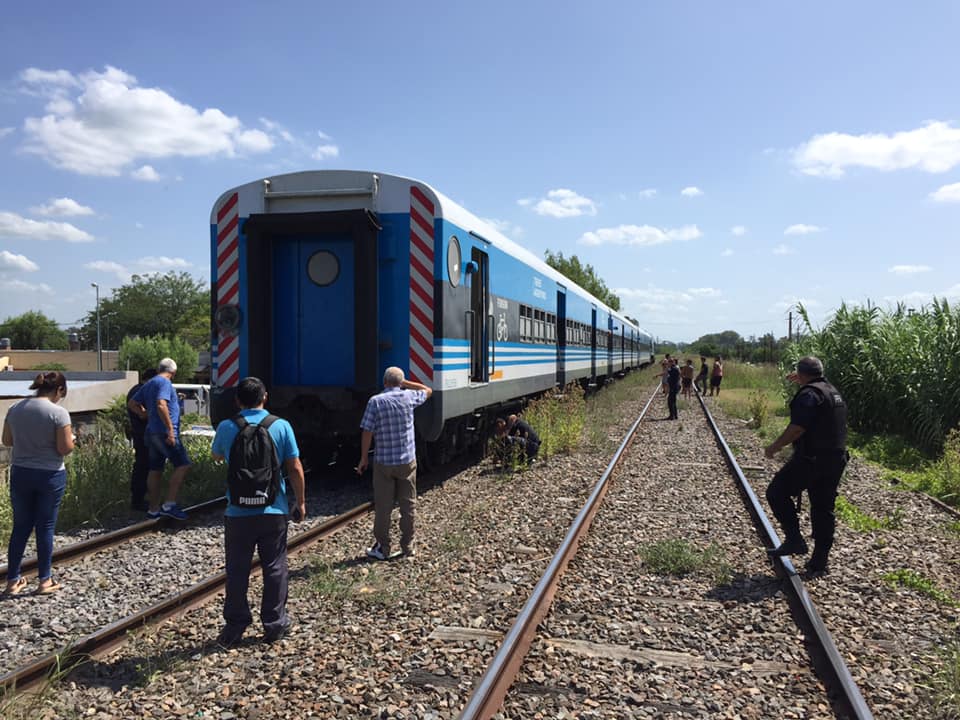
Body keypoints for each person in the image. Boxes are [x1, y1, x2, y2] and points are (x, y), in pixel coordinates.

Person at [211, 376, 305, 645]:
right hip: (272, 510)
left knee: (237, 569)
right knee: (275, 567)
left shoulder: (228, 427)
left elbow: (217, 455)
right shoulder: (281, 426)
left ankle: (235, 625)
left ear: (237, 400)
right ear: (265, 397)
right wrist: (299, 502)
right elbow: (295, 468)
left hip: (237, 512)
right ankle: (274, 623)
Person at [764, 356, 848, 576]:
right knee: (823, 508)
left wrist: (775, 446)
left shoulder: (809, 394)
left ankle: (794, 540)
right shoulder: (831, 391)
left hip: (811, 459)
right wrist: (803, 382)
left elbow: (798, 428)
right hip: (835, 459)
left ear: (801, 374)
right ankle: (819, 562)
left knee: (776, 493)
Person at [2, 371, 75, 595]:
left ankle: (12, 581)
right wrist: (72, 441)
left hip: (21, 473)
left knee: (21, 527)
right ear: (59, 390)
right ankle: (45, 580)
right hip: (50, 474)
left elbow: (7, 441)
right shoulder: (59, 413)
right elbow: (64, 449)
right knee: (45, 527)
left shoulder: (15, 409)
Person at [356, 367, 431, 560]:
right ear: (400, 383)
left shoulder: (375, 402)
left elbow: (367, 431)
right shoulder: (408, 398)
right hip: (406, 461)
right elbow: (427, 390)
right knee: (408, 505)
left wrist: (364, 458)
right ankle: (408, 546)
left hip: (383, 462)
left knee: (383, 506)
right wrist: (405, 384)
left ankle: (383, 548)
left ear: (384, 382)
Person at [128, 358, 190, 519]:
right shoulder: (164, 382)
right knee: (182, 464)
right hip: (164, 433)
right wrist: (170, 430)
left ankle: (153, 509)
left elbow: (132, 403)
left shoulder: (149, 383)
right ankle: (169, 504)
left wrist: (144, 414)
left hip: (151, 432)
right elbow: (161, 404)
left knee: (155, 469)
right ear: (173, 372)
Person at [126, 368, 156, 512]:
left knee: (143, 466)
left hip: (140, 433)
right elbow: (142, 414)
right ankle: (138, 500)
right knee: (143, 467)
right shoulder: (140, 391)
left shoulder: (136, 390)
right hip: (142, 434)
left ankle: (140, 498)